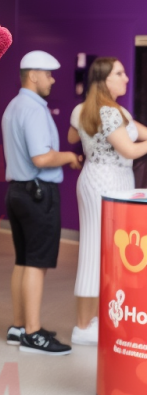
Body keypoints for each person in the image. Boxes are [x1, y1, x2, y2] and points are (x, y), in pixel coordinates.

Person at [2, 51, 82, 354]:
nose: (52, 79)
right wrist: (70, 157)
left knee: (23, 260)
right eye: (48, 74)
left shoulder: (13, 106)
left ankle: (19, 327)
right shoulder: (34, 110)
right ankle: (33, 334)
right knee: (36, 264)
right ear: (33, 76)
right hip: (38, 194)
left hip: (17, 192)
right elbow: (42, 157)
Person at [68, 58, 147, 344]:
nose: (126, 78)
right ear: (104, 80)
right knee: (96, 253)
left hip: (101, 179)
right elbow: (128, 148)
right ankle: (83, 327)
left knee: (104, 252)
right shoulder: (110, 112)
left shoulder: (91, 109)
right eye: (120, 73)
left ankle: (96, 320)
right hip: (107, 181)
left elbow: (72, 134)